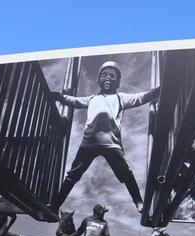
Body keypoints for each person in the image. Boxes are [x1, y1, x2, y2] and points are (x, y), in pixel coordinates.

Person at [51, 61, 160, 213]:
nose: (107, 78)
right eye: (104, 75)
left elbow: (140, 98)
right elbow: (74, 101)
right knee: (73, 175)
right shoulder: (92, 99)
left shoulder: (121, 98)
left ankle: (138, 202)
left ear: (117, 82)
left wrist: (156, 92)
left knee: (126, 173)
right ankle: (55, 204)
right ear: (99, 80)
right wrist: (59, 97)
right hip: (88, 144)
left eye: (112, 75)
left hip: (112, 145)